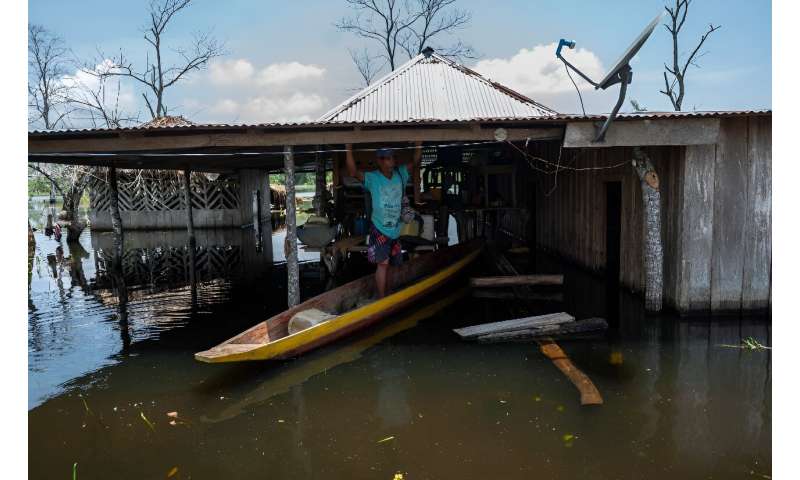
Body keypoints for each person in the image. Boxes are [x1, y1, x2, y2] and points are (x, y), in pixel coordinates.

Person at [345, 142, 420, 298]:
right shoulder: (373, 178)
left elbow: (416, 162)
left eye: (392, 158)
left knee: (393, 265)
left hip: (396, 230)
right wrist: (349, 148)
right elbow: (352, 172)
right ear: (380, 161)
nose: (391, 161)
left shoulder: (401, 174)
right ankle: (382, 297)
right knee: (383, 264)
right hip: (379, 228)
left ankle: (388, 294)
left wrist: (418, 145)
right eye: (387, 158)